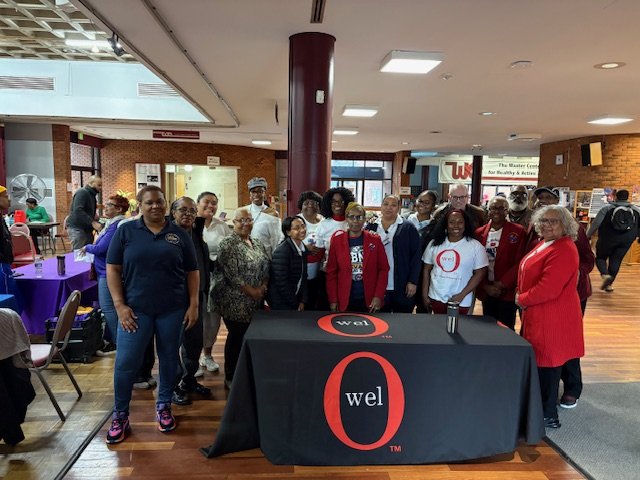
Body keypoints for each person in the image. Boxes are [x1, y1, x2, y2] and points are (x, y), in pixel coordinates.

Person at [105, 186, 199, 444]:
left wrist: (193, 304)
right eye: (149, 202)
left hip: (173, 309)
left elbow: (192, 272)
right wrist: (119, 306)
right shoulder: (126, 231)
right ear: (140, 205)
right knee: (126, 362)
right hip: (135, 311)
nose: (155, 206)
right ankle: (120, 415)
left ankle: (164, 405)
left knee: (169, 358)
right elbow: (112, 269)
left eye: (159, 201)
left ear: (166, 204)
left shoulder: (179, 234)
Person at [516, 205, 584, 429]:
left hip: (552, 316)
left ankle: (547, 415)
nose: (546, 225)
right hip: (539, 313)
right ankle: (540, 410)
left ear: (565, 225)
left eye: (553, 221)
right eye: (543, 220)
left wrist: (522, 298)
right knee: (542, 362)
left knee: (548, 365)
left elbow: (549, 288)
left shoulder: (564, 249)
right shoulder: (545, 243)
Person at [527, 185, 595, 409]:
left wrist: (573, 273)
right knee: (546, 345)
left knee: (566, 342)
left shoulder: (572, 230)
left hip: (570, 295)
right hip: (539, 297)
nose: (544, 201)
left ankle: (572, 388)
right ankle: (546, 389)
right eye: (541, 198)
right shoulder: (537, 227)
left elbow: (588, 259)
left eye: (549, 197)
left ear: (557, 200)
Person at [211, 208, 269, 388]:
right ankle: (231, 376)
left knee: (251, 337)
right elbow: (232, 274)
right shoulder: (227, 244)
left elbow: (266, 265)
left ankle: (248, 372)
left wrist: (263, 286)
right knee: (237, 337)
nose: (245, 223)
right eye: (241, 220)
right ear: (233, 223)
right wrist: (252, 291)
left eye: (249, 220)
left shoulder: (256, 242)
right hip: (234, 300)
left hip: (256, 300)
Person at [169, 197, 212, 406]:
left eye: (192, 210)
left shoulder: (196, 232)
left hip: (197, 295)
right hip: (174, 299)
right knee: (171, 344)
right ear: (173, 212)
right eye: (183, 210)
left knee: (194, 343)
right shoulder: (166, 235)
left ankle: (188, 380)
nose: (188, 214)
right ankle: (172, 386)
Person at [80, 194, 129, 350]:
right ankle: (113, 339)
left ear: (119, 209)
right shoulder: (110, 224)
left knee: (108, 308)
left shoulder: (116, 226)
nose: (105, 207)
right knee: (110, 308)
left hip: (107, 273)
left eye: (109, 205)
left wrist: (87, 247)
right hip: (104, 270)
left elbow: (102, 248)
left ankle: (118, 343)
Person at [421, 209, 488, 314]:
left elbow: (480, 273)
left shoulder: (476, 246)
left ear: (465, 224)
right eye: (451, 222)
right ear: (446, 225)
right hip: (436, 297)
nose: (456, 225)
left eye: (460, 222)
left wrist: (462, 295)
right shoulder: (434, 244)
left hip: (461, 301)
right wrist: (425, 294)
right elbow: (426, 269)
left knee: (458, 325)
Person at [326, 202, 389, 313]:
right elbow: (331, 272)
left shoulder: (375, 240)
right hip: (344, 299)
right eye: (351, 217)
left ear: (364, 219)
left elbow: (383, 269)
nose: (355, 221)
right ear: (346, 219)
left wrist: (378, 296)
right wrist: (333, 299)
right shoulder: (337, 241)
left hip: (369, 299)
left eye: (359, 217)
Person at [474, 196, 526, 329]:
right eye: (493, 208)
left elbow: (520, 261)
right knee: (489, 327)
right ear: (488, 211)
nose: (496, 211)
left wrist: (502, 283)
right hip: (487, 290)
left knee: (506, 327)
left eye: (501, 208)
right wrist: (485, 286)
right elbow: (475, 263)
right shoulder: (479, 233)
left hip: (507, 290)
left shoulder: (518, 231)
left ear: (507, 211)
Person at [194, 191, 231, 376]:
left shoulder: (222, 226)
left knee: (213, 318)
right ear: (197, 204)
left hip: (216, 277)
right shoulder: (191, 224)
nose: (211, 206)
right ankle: (191, 358)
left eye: (214, 203)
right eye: (206, 202)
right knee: (195, 317)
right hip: (195, 278)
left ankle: (207, 355)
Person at [366, 194, 421, 313]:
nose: (389, 208)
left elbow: (416, 257)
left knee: (401, 319)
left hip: (402, 285)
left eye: (393, 205)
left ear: (399, 208)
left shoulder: (408, 227)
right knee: (379, 320)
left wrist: (413, 281)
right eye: (386, 204)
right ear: (381, 206)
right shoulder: (371, 226)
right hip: (377, 286)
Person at [586, 189, 640, 292]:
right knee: (616, 260)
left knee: (600, 257)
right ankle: (609, 285)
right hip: (626, 240)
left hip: (607, 238)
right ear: (627, 197)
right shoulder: (636, 210)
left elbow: (596, 223)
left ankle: (605, 275)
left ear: (616, 197)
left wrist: (587, 235)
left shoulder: (607, 208)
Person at [313, 187, 355, 310]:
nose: (338, 204)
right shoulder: (324, 224)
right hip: (328, 273)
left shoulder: (353, 222)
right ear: (328, 203)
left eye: (342, 201)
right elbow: (319, 252)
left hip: (350, 274)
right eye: (334, 201)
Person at [267, 216, 308, 310]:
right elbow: (281, 283)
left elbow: (304, 276)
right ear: (288, 232)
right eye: (297, 228)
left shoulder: (303, 248)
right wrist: (295, 303)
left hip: (295, 298)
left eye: (303, 226)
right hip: (281, 302)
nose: (302, 230)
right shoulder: (282, 251)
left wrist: (303, 300)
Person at [241, 177, 281, 258]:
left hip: (264, 257)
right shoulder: (243, 211)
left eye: (260, 191)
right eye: (253, 191)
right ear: (250, 194)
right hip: (245, 257)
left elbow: (276, 240)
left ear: (264, 193)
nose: (256, 194)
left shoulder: (272, 214)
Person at [297, 191, 324, 310]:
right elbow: (286, 241)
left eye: (314, 203)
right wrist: (304, 246)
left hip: (319, 269)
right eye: (306, 203)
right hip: (300, 269)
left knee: (315, 300)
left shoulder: (324, 220)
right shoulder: (296, 220)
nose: (310, 205)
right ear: (301, 205)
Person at [67, 175, 103, 250]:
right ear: (91, 183)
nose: (100, 188)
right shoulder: (82, 192)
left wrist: (94, 216)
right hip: (78, 228)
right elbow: (78, 210)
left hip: (86, 229)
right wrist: (92, 222)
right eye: (99, 185)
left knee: (87, 251)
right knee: (79, 252)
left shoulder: (91, 194)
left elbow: (87, 209)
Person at [0, 185, 16, 297]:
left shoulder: (1, 217)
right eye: (5, 197)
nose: (9, 200)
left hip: (5, 263)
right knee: (6, 298)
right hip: (1, 265)